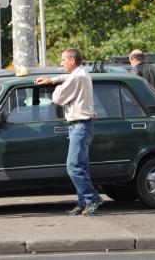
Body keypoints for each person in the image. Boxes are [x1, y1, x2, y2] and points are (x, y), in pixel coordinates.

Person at [35, 48, 103, 216]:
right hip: (82, 126)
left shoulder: (77, 77)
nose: (61, 63)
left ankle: (92, 198)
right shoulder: (82, 73)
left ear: (72, 61)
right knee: (81, 167)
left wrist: (54, 86)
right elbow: (67, 77)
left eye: (63, 60)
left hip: (80, 126)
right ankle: (83, 202)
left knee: (73, 167)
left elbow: (57, 98)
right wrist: (52, 79)